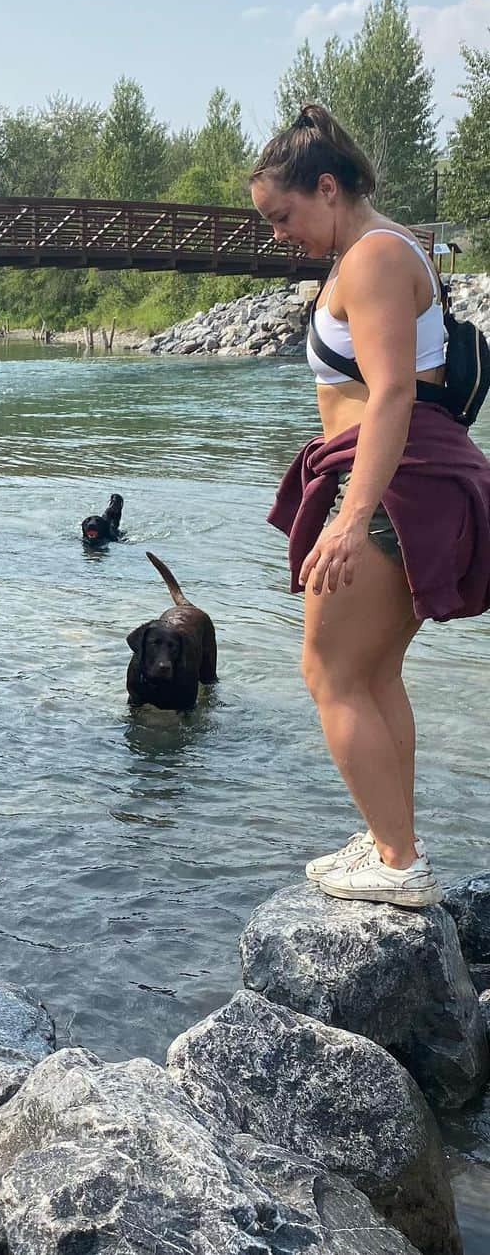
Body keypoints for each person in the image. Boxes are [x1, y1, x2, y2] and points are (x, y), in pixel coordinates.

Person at [250, 104, 490, 907]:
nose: (276, 233)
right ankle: (397, 845)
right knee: (375, 672)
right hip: (406, 478)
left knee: (327, 670)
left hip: (393, 483)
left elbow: (389, 395)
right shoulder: (375, 250)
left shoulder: (376, 256)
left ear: (327, 186)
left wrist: (351, 518)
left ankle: (397, 862)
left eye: (282, 215)